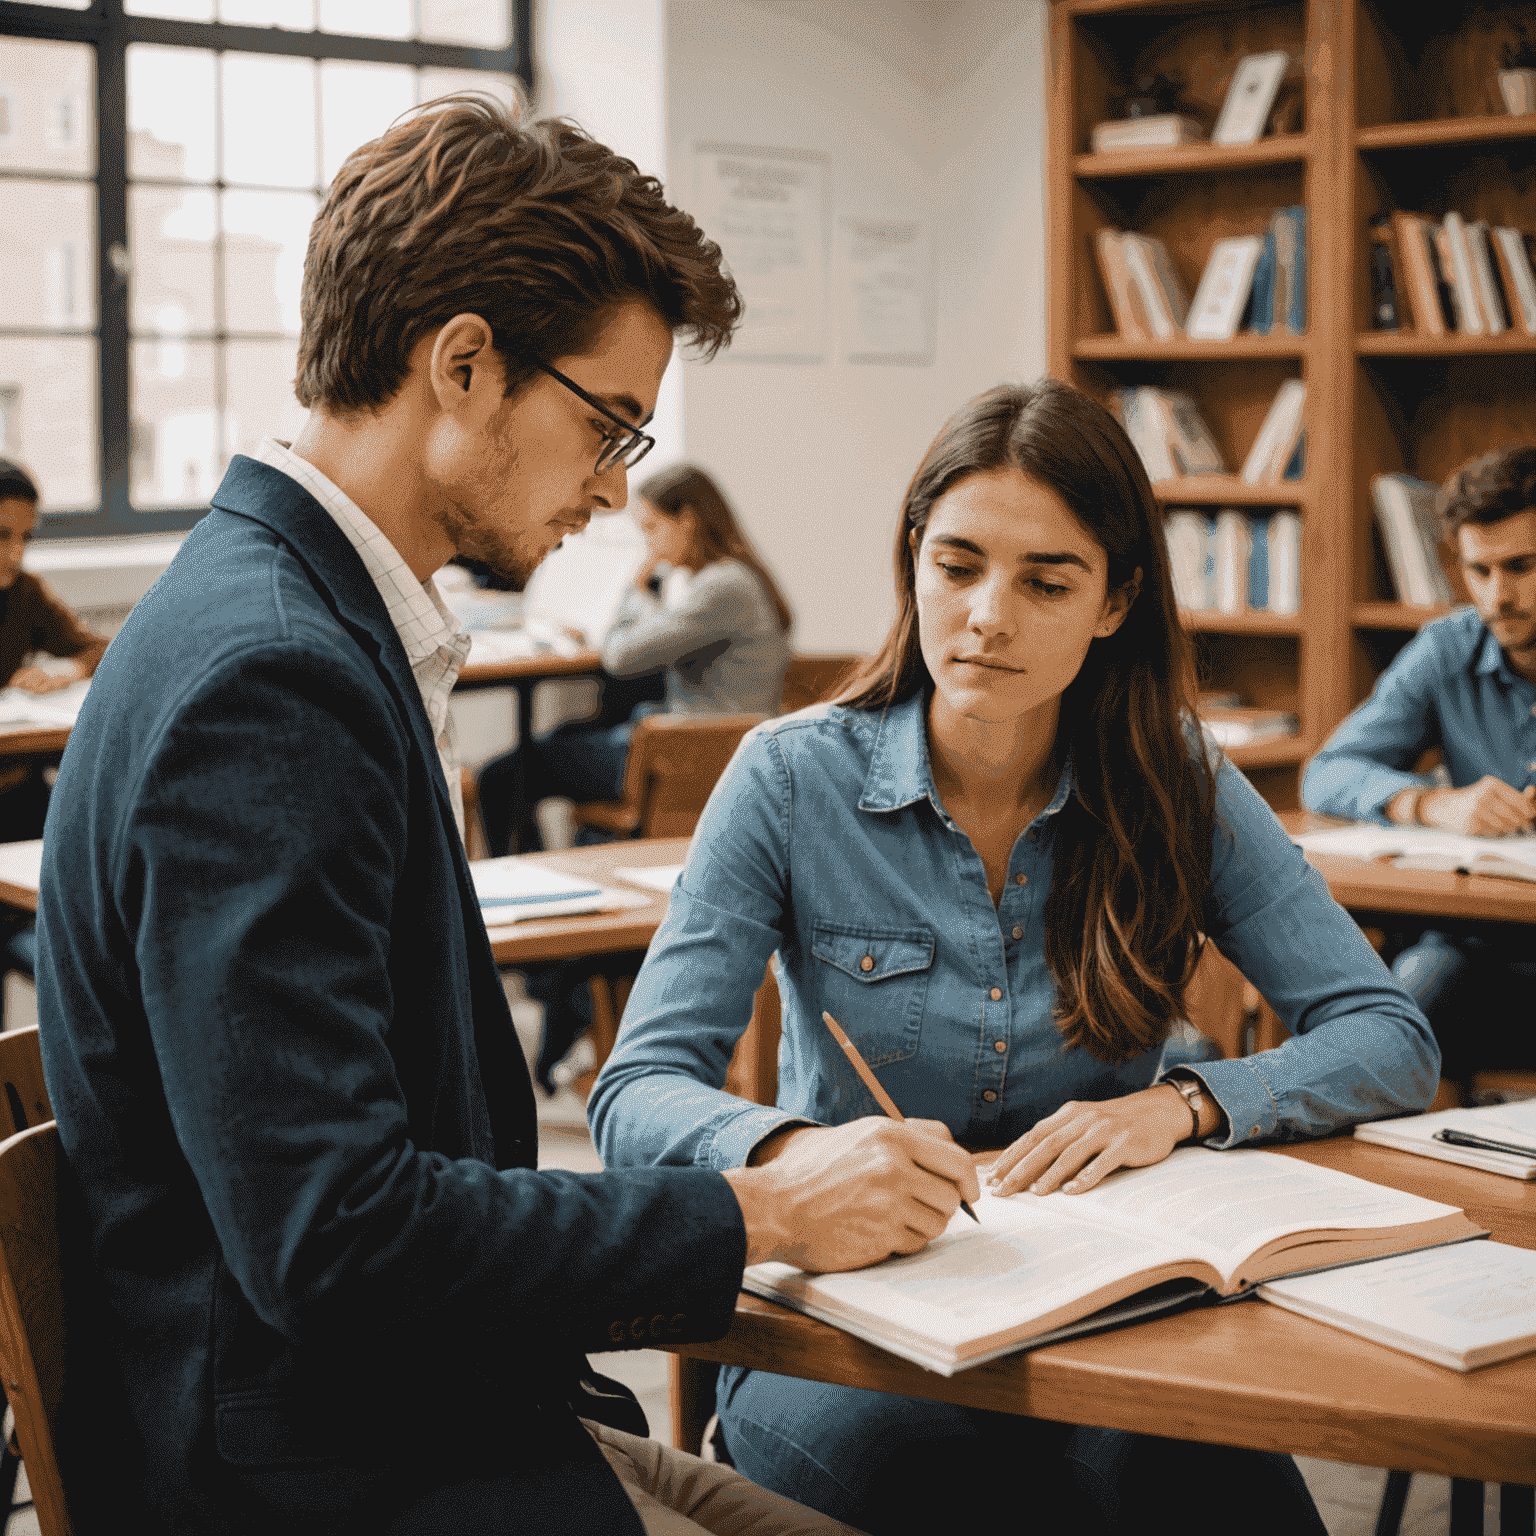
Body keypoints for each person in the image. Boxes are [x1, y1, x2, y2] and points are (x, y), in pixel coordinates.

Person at [35, 96, 984, 1536]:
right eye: (611, 426)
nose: (616, 489)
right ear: (464, 363)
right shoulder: (272, 679)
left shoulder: (290, 615)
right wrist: (766, 1215)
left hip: (429, 1415)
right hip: (332, 1473)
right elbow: (330, 1238)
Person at [590, 379, 1439, 1536]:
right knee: (959, 1497)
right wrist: (805, 1158)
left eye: (1047, 582)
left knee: (1227, 1502)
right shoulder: (789, 778)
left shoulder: (1177, 780)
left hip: (1104, 1307)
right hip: (848, 1323)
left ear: (1115, 601)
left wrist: (1185, 1106)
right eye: (958, 566)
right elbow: (634, 1093)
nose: (989, 615)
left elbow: (1391, 1039)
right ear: (914, 563)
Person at [1303, 445, 1536, 1093]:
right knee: (1407, 991)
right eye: (1479, 570)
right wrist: (1435, 804)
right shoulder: (1449, 648)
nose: (1499, 597)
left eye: (1521, 567)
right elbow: (1329, 771)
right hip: (1480, 946)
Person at [476, 461, 792, 858]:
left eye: (652, 529)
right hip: (698, 747)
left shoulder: (722, 587)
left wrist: (634, 588)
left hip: (690, 758)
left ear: (688, 521)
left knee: (504, 776)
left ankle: (518, 881)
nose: (649, 546)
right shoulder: (734, 580)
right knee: (558, 740)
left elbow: (621, 657)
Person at [0, 458, 107, 841]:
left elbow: (99, 648)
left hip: (16, 787)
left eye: (25, 538)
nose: (15, 554)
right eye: (1, 535)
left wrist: (67, 671)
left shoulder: (24, 592)